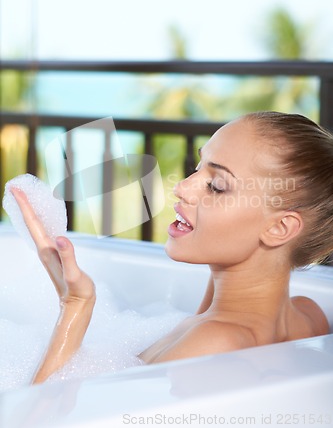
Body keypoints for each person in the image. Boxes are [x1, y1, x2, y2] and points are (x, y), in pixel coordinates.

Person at [11, 111, 331, 384]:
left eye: (216, 186)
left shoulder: (216, 342)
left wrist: (75, 304)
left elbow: (41, 419)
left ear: (279, 228)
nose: (181, 188)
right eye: (198, 168)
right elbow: (211, 315)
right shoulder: (308, 316)